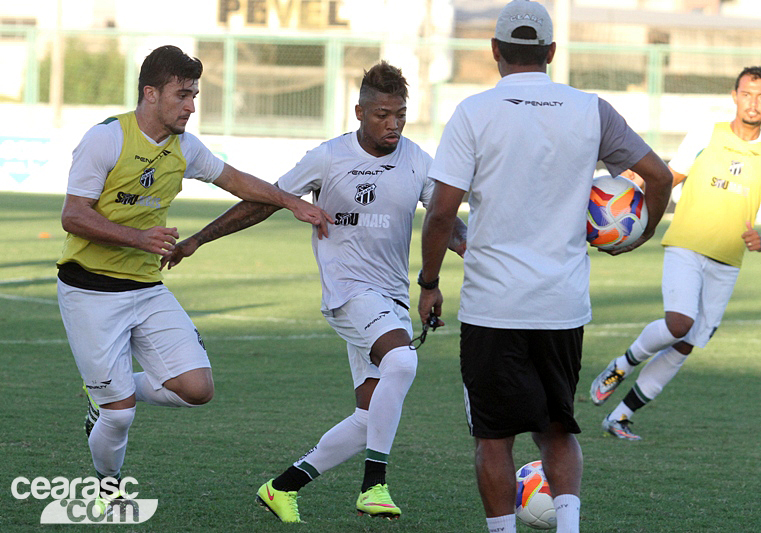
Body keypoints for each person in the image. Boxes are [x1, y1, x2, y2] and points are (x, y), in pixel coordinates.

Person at [163, 61, 467, 523]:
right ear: (360, 111)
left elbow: (448, 223)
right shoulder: (329, 157)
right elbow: (265, 201)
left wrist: (487, 262)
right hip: (348, 294)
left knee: (370, 417)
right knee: (403, 361)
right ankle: (374, 485)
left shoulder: (418, 160)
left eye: (401, 114)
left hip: (391, 300)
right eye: (383, 114)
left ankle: (282, 488)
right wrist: (198, 240)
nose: (394, 124)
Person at [416, 2, 674, 532]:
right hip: (561, 304)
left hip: (494, 305)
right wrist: (642, 233)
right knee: (559, 429)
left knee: (493, 435)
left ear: (494, 52)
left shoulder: (474, 111)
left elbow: (442, 211)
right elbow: (660, 177)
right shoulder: (590, 109)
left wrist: (429, 281)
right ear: (552, 52)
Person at [57, 45, 332, 510]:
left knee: (196, 389)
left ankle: (107, 391)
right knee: (118, 418)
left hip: (145, 289)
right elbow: (72, 216)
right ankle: (108, 480)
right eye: (183, 95)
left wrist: (290, 202)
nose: (191, 106)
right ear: (150, 93)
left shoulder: (186, 147)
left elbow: (239, 181)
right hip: (90, 290)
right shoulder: (107, 139)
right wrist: (137, 238)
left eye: (195, 95)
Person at [590, 66, 761, 441]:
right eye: (747, 94)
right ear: (734, 95)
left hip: (728, 261)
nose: (754, 102)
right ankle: (622, 364)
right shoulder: (707, 134)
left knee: (686, 344)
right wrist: (624, 190)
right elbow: (668, 178)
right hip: (685, 245)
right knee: (680, 323)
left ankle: (619, 417)